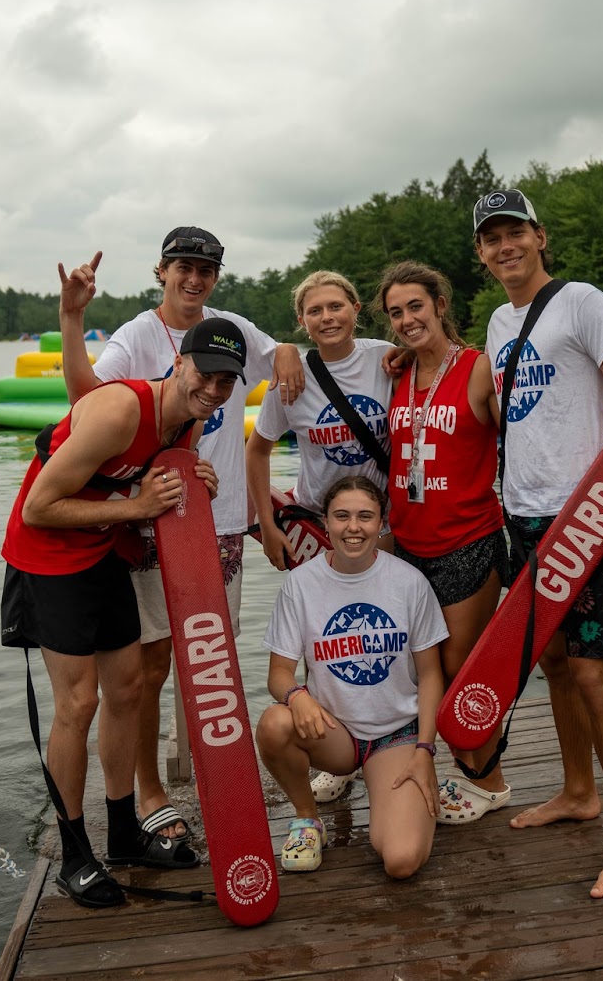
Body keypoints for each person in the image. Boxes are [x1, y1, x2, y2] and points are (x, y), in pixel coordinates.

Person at [57, 230, 304, 861]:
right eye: (184, 268)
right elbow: (87, 400)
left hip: (216, 524)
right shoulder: (139, 336)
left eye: (206, 270)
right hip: (147, 522)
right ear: (161, 270)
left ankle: (214, 775)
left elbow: (277, 350)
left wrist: (287, 351)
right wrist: (73, 317)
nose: (194, 279)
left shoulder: (232, 327)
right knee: (149, 667)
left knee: (210, 659)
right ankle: (147, 788)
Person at [0, 319, 240, 907]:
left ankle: (125, 834)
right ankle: (76, 852)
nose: (213, 388)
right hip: (48, 558)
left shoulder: (192, 417)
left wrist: (193, 483)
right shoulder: (118, 411)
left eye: (227, 380)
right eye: (204, 373)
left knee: (128, 689)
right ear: (178, 360)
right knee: (78, 703)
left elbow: (160, 498)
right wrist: (137, 504)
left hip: (104, 550)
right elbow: (37, 507)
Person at [474, 188, 603, 900]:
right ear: (482, 254)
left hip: (583, 516)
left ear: (540, 235)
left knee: (594, 674)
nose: (505, 247)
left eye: (514, 232)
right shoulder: (497, 322)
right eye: (491, 239)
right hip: (521, 517)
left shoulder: (583, 301)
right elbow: (499, 403)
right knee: (553, 662)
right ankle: (578, 791)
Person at [254, 476, 446, 878]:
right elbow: (278, 674)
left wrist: (425, 750)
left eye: (365, 516)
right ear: (325, 522)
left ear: (381, 523)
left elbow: (430, 676)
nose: (353, 527)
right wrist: (296, 695)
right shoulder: (300, 584)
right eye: (341, 516)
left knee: (401, 861)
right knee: (274, 723)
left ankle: (407, 795)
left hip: (396, 735)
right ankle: (308, 820)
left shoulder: (409, 583)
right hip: (335, 733)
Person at [375, 261, 512, 824]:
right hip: (409, 545)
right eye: (395, 312)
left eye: (416, 306)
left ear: (440, 304)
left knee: (459, 671)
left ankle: (491, 782)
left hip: (469, 540)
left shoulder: (479, 368)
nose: (407, 320)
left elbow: (525, 428)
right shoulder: (399, 373)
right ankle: (440, 769)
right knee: (418, 669)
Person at [246, 270, 393, 571]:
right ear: (302, 321)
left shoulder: (386, 358)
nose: (327, 317)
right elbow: (257, 450)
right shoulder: (291, 378)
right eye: (315, 311)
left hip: (382, 519)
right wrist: (267, 524)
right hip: (316, 526)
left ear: (355, 308)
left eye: (336, 306)